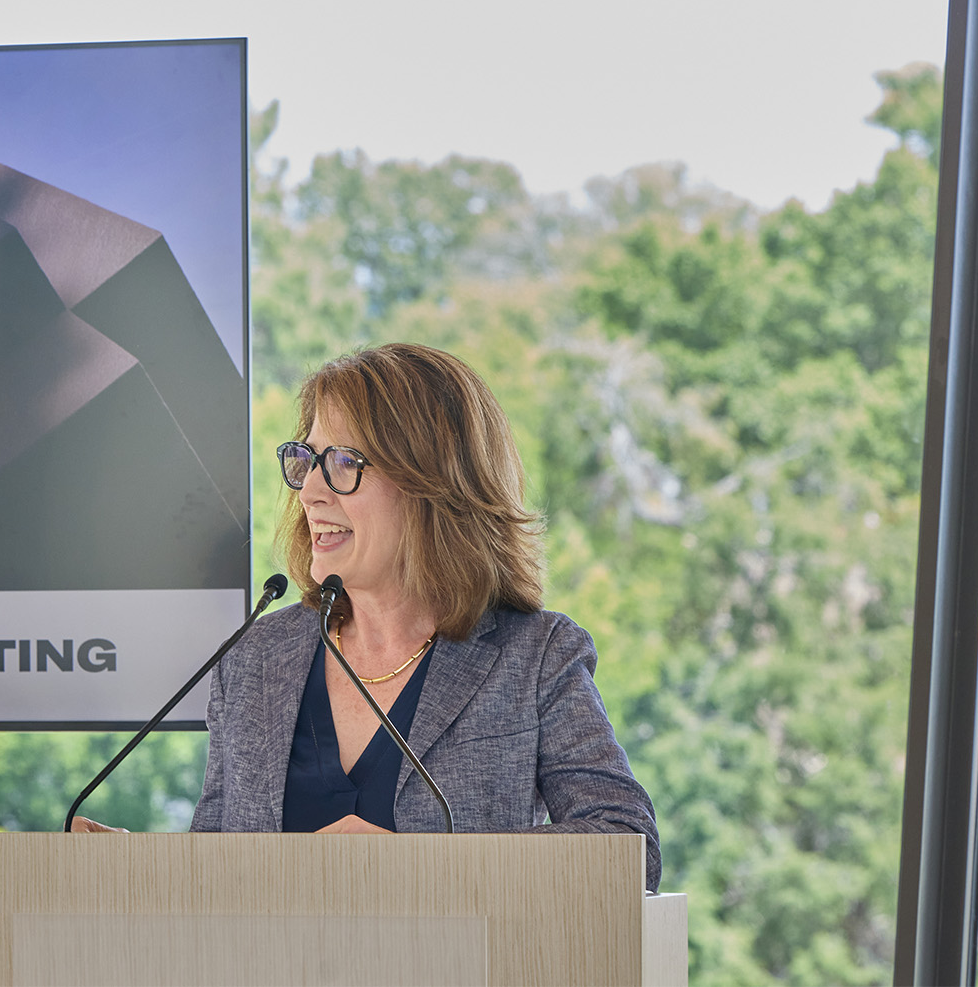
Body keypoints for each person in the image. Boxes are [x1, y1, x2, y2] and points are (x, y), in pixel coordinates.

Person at [73, 343, 660, 893]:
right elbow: (223, 868)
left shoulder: (535, 657)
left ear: (434, 483)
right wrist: (142, 870)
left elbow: (628, 847)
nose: (310, 493)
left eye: (344, 463)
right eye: (306, 461)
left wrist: (419, 868)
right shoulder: (254, 659)